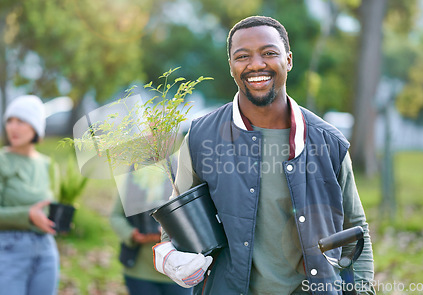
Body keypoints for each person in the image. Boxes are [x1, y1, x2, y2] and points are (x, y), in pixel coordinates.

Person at [153, 16, 375, 295]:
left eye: (269, 53)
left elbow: (355, 227)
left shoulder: (328, 141)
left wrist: (363, 289)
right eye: (242, 56)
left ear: (289, 60)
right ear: (231, 66)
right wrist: (172, 259)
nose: (256, 64)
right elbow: (175, 221)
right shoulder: (201, 137)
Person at [0, 95, 59, 295]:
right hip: (8, 249)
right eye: (9, 121)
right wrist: (28, 215)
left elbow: (52, 206)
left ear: (35, 127)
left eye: (21, 121)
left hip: (46, 251)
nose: (13, 127)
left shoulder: (48, 165)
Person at [110, 164, 192, 295]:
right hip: (139, 270)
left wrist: (171, 231)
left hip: (177, 271)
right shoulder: (131, 177)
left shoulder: (180, 173)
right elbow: (116, 216)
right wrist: (131, 234)